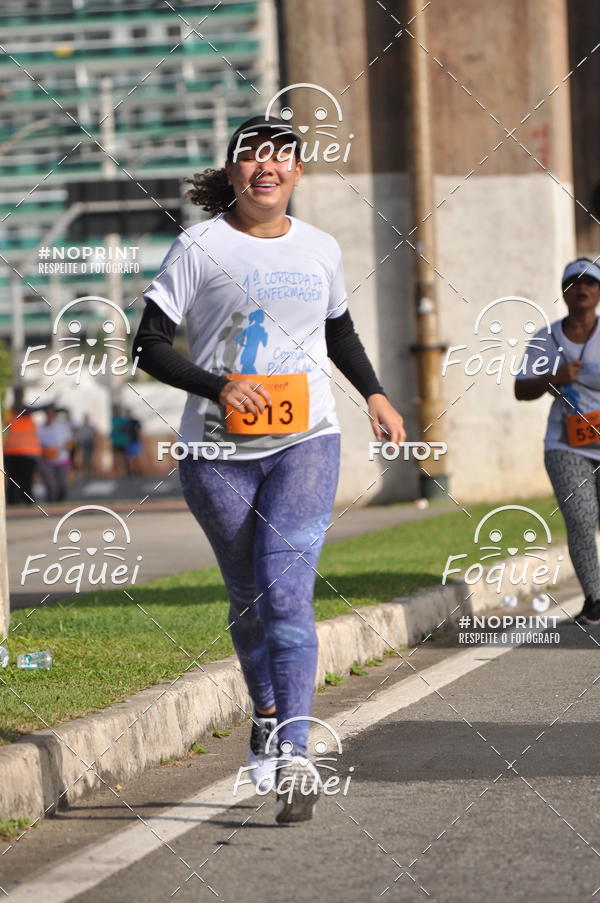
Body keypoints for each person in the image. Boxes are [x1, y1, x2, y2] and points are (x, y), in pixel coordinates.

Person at [134, 116, 406, 823]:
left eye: (281, 158)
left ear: (297, 174)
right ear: (232, 173)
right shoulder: (200, 245)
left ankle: (294, 752)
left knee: (287, 591)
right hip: (217, 456)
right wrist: (218, 386)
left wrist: (374, 392)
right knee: (250, 597)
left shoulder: (321, 248)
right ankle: (265, 707)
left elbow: (339, 330)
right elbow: (149, 345)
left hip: (307, 443)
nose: (267, 168)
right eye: (253, 158)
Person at [515, 257, 600, 626]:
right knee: (582, 520)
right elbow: (521, 389)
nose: (581, 289)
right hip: (566, 446)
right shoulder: (546, 339)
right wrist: (557, 376)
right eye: (574, 283)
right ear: (564, 291)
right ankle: (596, 600)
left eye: (590, 283)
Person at [2, 386, 41, 505]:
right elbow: (24, 409)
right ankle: (14, 503)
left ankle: (26, 503)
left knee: (26, 481)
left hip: (27, 453)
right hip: (12, 453)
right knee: (14, 482)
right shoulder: (14, 410)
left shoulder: (25, 411)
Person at [38, 405, 73, 502]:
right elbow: (38, 446)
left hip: (62, 461)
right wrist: (46, 451)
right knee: (51, 488)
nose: (50, 415)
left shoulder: (62, 426)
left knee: (63, 487)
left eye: (52, 413)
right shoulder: (40, 429)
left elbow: (69, 443)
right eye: (48, 413)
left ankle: (59, 505)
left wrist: (60, 450)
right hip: (46, 462)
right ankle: (50, 507)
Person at [111, 405, 130, 478]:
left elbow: (124, 429)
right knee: (120, 457)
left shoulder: (116, 420)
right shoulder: (119, 419)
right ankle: (120, 473)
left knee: (121, 457)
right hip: (118, 441)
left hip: (120, 441)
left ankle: (122, 472)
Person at [77, 414, 97, 481]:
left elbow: (93, 435)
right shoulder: (82, 427)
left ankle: (89, 473)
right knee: (85, 459)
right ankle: (85, 473)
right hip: (85, 444)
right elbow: (80, 436)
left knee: (90, 458)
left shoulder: (90, 427)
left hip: (90, 444)